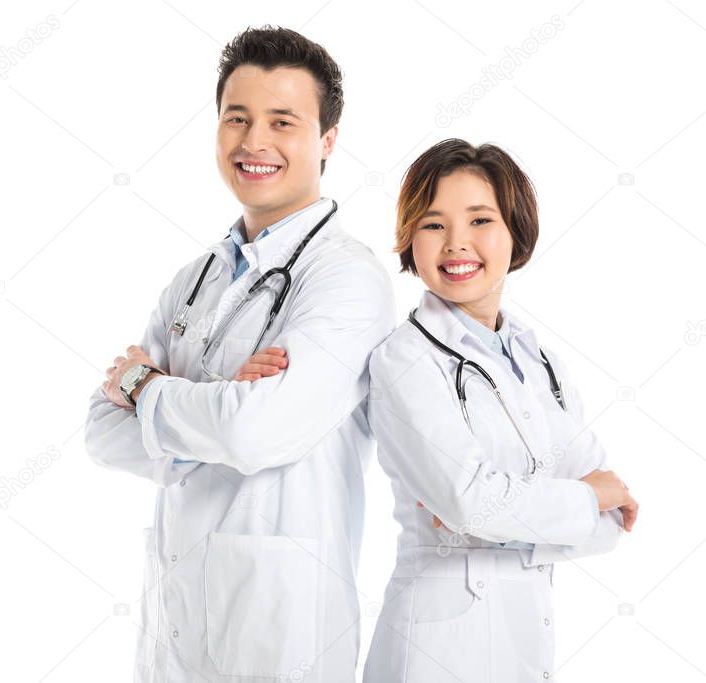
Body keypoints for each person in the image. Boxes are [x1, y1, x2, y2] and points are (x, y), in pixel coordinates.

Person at [84, 26, 394, 682]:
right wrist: (220, 404)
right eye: (237, 119)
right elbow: (100, 433)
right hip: (174, 630)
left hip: (282, 632)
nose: (253, 143)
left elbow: (255, 431)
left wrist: (145, 389)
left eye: (282, 121)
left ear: (327, 140)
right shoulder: (194, 279)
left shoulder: (346, 279)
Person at [360, 139, 638, 682]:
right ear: (410, 238)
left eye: (480, 220)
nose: (455, 244)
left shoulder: (539, 363)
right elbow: (472, 502)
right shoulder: (403, 360)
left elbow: (608, 523)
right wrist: (573, 501)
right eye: (434, 224)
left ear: (516, 232)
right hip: (435, 651)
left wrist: (500, 514)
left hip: (525, 639)